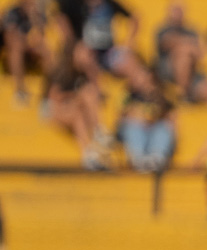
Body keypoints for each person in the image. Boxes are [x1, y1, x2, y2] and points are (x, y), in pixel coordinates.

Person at [152, 1, 207, 113]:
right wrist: (188, 45)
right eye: (175, 11)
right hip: (167, 72)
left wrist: (189, 48)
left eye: (180, 11)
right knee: (184, 53)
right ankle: (183, 94)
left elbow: (201, 53)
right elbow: (167, 42)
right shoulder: (163, 30)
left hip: (191, 73)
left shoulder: (191, 31)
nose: (178, 14)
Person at [44, 40, 104, 168]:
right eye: (85, 52)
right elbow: (54, 98)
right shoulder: (63, 70)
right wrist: (76, 97)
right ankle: (89, 149)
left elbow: (99, 94)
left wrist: (91, 70)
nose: (88, 55)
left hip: (71, 107)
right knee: (79, 107)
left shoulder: (83, 72)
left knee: (88, 94)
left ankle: (98, 134)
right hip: (50, 108)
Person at [116, 74, 175, 172]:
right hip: (136, 131)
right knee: (132, 127)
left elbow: (169, 116)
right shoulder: (129, 96)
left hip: (152, 132)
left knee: (163, 127)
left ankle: (156, 158)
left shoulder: (160, 98)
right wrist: (140, 119)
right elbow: (121, 118)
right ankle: (138, 159)